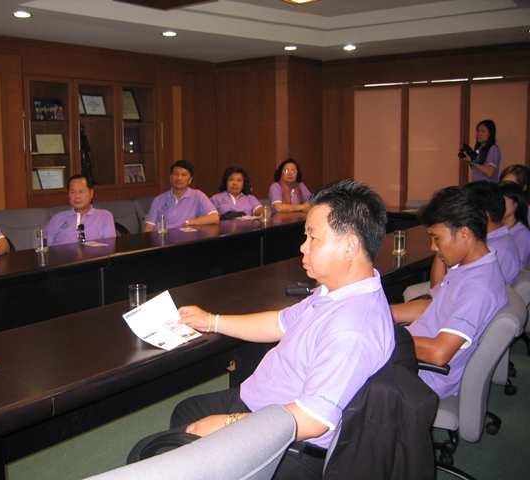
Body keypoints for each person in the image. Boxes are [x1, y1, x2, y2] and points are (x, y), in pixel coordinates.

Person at [133, 180, 395, 479]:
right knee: (185, 411)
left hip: (286, 440)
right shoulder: (337, 291)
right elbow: (277, 323)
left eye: (313, 237)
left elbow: (311, 421)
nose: (303, 246)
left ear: (349, 246)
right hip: (262, 399)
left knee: (147, 454)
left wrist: (231, 423)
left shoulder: (351, 329)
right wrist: (211, 321)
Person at [391, 186, 507, 399]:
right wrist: (388, 313)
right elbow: (437, 305)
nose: (433, 247)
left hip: (422, 375)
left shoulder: (479, 287)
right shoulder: (469, 267)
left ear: (464, 233)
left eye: (437, 238)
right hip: (411, 355)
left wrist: (384, 336)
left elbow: (439, 353)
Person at [143, 160, 219, 232]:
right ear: (170, 178)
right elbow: (149, 226)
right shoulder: (159, 199)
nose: (179, 178)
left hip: (184, 238)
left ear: (190, 180)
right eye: (175, 174)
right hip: (161, 237)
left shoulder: (197, 195)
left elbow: (215, 218)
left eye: (184, 174)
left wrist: (189, 222)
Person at [45, 174, 115, 246]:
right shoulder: (57, 218)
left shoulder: (104, 216)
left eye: (81, 191)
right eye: (73, 192)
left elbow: (110, 247)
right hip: (60, 253)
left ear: (91, 193)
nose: (77, 196)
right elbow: (43, 246)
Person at [498, 180, 530, 267]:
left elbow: (519, 266)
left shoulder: (522, 234)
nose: (499, 204)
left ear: (516, 202)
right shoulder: (495, 225)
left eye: (503, 200)